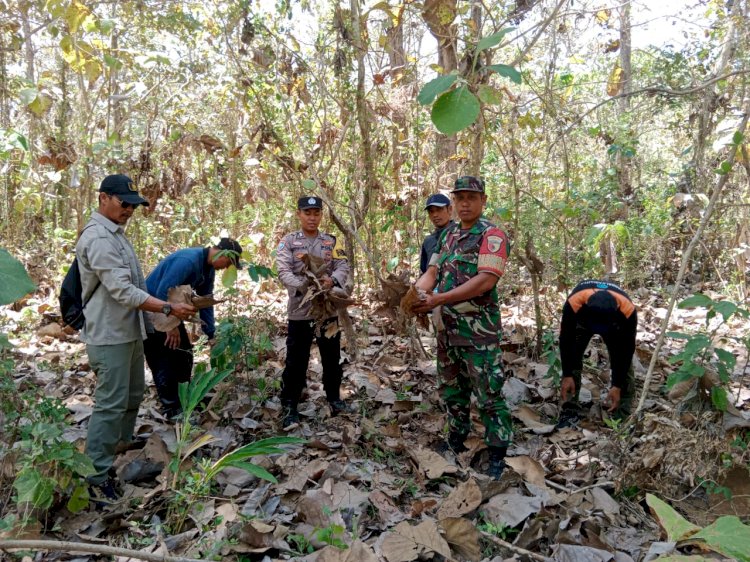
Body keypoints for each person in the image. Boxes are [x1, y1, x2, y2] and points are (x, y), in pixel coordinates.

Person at [76, 174, 196, 501]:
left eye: (133, 205)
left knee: (132, 395)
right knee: (110, 404)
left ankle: (121, 450)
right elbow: (122, 290)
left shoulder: (116, 235)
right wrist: (168, 308)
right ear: (103, 199)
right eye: (123, 203)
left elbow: (137, 288)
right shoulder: (99, 238)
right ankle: (97, 475)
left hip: (128, 333)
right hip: (108, 335)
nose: (129, 209)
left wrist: (154, 323)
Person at [413, 175, 512, 479]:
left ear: (483, 201)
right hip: (447, 329)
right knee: (452, 390)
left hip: (478, 331)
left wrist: (440, 298)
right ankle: (456, 438)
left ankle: (497, 453)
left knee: (488, 393)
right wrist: (417, 293)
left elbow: (486, 280)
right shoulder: (448, 235)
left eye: (471, 197)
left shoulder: (491, 235)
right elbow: (432, 270)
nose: (465, 203)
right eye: (460, 198)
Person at [276, 196, 353, 428]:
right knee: (296, 360)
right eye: (307, 213)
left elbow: (343, 265)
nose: (312, 217)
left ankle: (334, 399)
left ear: (321, 215)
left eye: (316, 213)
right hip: (301, 309)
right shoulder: (288, 242)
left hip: (327, 309)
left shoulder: (330, 241)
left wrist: (332, 281)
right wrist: (305, 285)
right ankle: (290, 404)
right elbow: (283, 270)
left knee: (331, 358)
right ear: (299, 214)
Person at [144, 238, 243, 419]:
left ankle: (184, 400)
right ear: (221, 253)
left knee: (184, 354)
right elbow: (161, 291)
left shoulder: (208, 269)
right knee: (164, 357)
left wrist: (211, 334)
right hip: (151, 310)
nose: (226, 267)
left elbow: (206, 302)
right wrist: (169, 326)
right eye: (228, 262)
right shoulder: (188, 261)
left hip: (170, 312)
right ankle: (171, 409)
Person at [558, 279, 637, 426]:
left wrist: (617, 385)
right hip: (583, 321)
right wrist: (567, 374)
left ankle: (622, 413)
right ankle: (569, 410)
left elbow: (626, 351)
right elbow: (565, 340)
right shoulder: (574, 303)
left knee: (622, 361)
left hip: (614, 326)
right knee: (573, 355)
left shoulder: (627, 311)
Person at [420, 193, 454, 274]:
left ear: (449, 209)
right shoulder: (428, 241)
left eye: (439, 210)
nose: (435, 215)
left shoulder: (461, 233)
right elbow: (425, 270)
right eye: (431, 211)